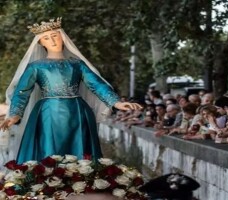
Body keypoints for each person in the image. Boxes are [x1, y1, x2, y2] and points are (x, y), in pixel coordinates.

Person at [0, 18, 141, 164]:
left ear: (62, 37)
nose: (52, 41)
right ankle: (47, 184)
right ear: (41, 43)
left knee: (81, 154)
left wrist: (116, 102)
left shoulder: (77, 64)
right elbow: (22, 91)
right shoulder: (36, 66)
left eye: (55, 36)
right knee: (49, 150)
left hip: (78, 112)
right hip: (48, 114)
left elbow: (96, 84)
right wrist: (15, 114)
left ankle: (81, 183)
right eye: (46, 38)